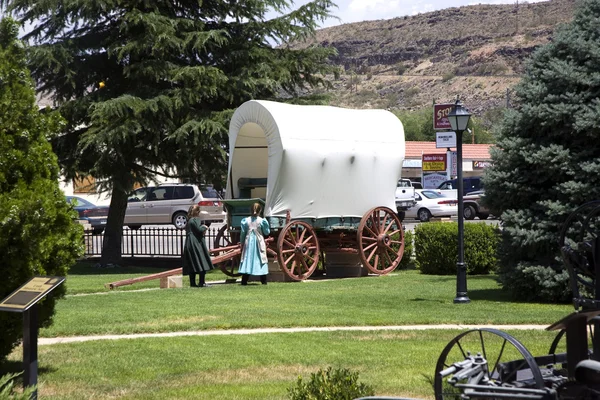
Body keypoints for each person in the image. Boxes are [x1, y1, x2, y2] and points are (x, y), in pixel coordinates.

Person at [182, 205, 214, 287]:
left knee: (192, 264)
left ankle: (192, 283)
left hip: (189, 243)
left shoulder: (189, 221)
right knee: (202, 261)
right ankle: (202, 282)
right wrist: (205, 227)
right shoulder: (196, 219)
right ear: (197, 212)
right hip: (196, 243)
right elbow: (199, 230)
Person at [239, 202, 270, 285]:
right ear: (260, 211)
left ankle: (244, 280)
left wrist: (242, 243)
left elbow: (243, 233)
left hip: (248, 242)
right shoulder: (262, 221)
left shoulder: (246, 220)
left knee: (247, 258)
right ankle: (264, 281)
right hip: (259, 241)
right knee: (261, 258)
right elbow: (267, 232)